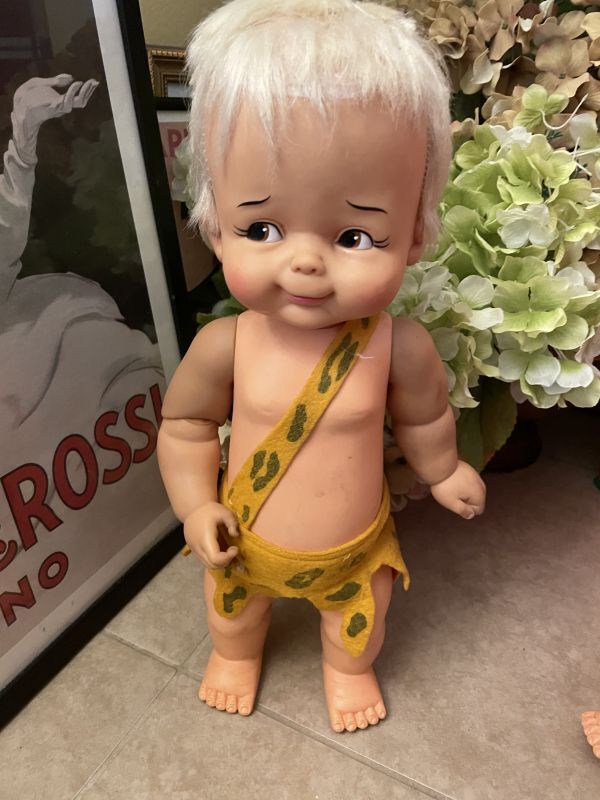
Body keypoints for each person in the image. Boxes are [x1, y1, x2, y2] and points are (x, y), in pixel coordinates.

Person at [157, 0, 486, 734]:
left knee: (359, 626)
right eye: (261, 228)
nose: (305, 261)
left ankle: (348, 669)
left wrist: (443, 471)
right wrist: (197, 507)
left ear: (415, 236)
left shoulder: (398, 346)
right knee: (232, 618)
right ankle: (236, 655)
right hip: (245, 541)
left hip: (355, 547)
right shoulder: (226, 345)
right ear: (215, 227)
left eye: (355, 235)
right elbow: (185, 427)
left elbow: (425, 417)